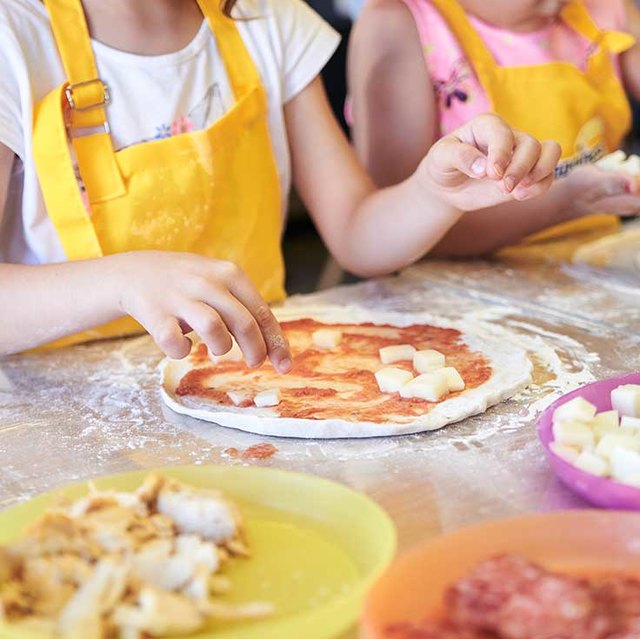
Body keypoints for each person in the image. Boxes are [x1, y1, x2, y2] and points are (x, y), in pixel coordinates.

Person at [0, 0, 558, 369]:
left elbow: (357, 236)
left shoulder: (266, 17)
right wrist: (123, 280)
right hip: (59, 412)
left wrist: (436, 193)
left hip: (254, 381)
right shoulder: (14, 38)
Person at [348, 0, 640, 257]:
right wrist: (568, 199)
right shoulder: (399, 25)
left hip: (592, 260)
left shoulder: (601, 7)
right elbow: (397, 225)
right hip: (452, 287)